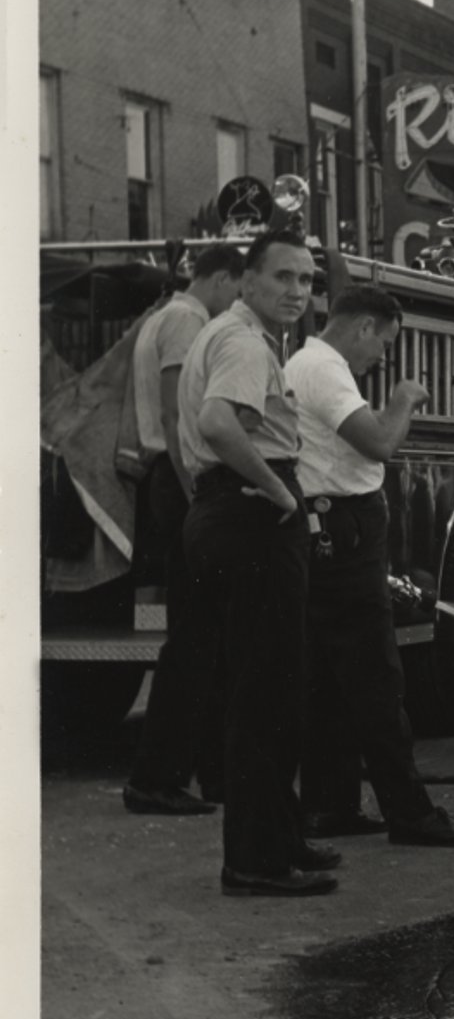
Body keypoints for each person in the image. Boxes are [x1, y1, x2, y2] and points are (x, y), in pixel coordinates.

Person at [287, 286, 454, 848]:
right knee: (377, 677)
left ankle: (329, 806)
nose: (382, 357)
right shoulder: (324, 369)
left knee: (327, 680)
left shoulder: (308, 365)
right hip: (343, 533)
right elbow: (378, 443)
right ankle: (411, 814)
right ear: (363, 326)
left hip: (327, 531)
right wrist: (402, 399)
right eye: (385, 343)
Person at [176, 230, 338, 897]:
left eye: (305, 279)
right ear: (246, 280)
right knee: (265, 693)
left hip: (230, 512)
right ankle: (254, 860)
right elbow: (218, 423)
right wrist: (278, 494)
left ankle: (279, 838)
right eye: (283, 277)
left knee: (268, 685)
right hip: (254, 516)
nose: (297, 291)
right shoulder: (243, 342)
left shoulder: (233, 334)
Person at [122, 243, 245, 815]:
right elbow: (176, 413)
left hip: (169, 481)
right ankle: (158, 777)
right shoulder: (186, 320)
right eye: (236, 290)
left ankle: (207, 772)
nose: (234, 305)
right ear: (221, 279)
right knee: (196, 639)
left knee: (207, 635)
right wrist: (195, 483)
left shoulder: (162, 316)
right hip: (180, 480)